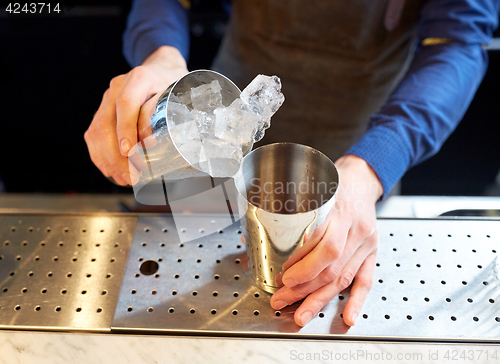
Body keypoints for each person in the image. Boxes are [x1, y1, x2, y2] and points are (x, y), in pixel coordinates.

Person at [84, 0, 499, 327]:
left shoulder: (366, 168)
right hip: (220, 145)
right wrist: (161, 55)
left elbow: (458, 43)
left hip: (361, 148)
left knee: (327, 284)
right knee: (175, 254)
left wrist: (374, 166)